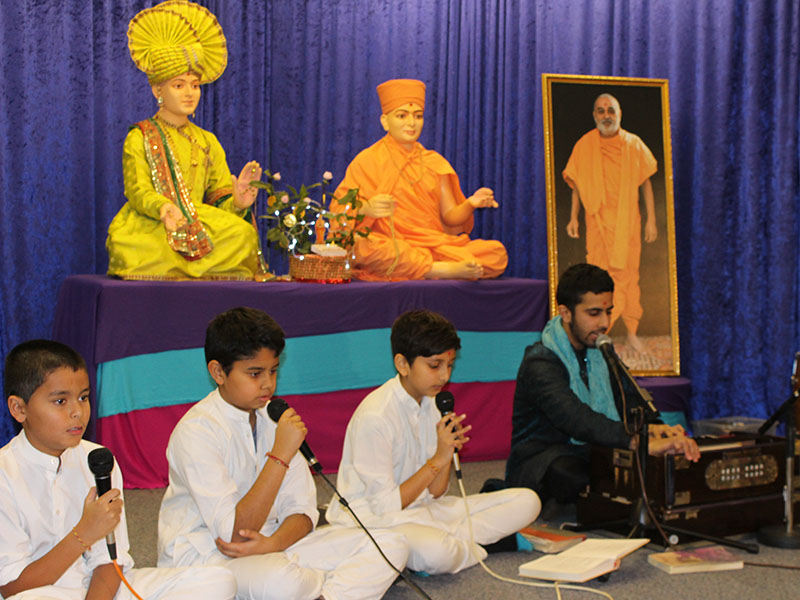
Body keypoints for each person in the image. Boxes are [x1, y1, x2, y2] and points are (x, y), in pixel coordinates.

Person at [157, 307, 408, 599]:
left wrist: (274, 543)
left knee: (391, 544)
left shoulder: (274, 418)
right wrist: (280, 455)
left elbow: (304, 512)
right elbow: (233, 535)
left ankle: (322, 594)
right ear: (218, 372)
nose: (268, 384)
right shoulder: (197, 431)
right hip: (210, 557)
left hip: (274, 546)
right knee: (283, 581)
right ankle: (332, 586)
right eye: (255, 373)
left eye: (273, 371)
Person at [0, 340, 236, 600]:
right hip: (39, 594)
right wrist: (83, 534)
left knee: (218, 580)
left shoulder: (97, 459)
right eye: (60, 401)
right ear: (19, 409)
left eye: (83, 397)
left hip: (104, 591)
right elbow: (12, 587)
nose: (77, 412)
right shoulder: (4, 474)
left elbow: (110, 560)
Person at [327, 310, 541, 575]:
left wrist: (447, 451)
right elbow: (385, 506)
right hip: (376, 520)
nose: (444, 376)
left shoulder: (433, 404)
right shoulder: (376, 416)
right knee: (436, 553)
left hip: (426, 510)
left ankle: (452, 542)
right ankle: (482, 544)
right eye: (434, 365)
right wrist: (438, 459)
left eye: (449, 365)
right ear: (402, 364)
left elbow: (437, 492)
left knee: (528, 501)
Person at [505, 263, 700, 505]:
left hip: (594, 449)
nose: (605, 322)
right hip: (544, 458)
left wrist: (657, 429)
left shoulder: (601, 350)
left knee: (648, 463)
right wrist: (638, 442)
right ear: (566, 313)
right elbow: (576, 419)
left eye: (608, 312)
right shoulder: (540, 361)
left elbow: (629, 399)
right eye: (594, 313)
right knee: (571, 474)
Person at [107, 0, 268, 281]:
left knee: (242, 234)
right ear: (158, 89)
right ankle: (191, 266)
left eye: (194, 85)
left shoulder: (207, 140)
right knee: (128, 245)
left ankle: (188, 267)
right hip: (155, 223)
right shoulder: (140, 136)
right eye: (178, 85)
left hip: (199, 220)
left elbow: (219, 196)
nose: (189, 93)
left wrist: (238, 203)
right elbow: (137, 190)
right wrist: (164, 208)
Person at [330, 78, 508, 281]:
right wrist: (365, 208)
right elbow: (338, 212)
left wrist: (470, 203)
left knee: (496, 254)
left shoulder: (434, 162)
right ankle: (440, 270)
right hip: (391, 245)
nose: (411, 123)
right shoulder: (367, 161)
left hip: (432, 246)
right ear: (385, 121)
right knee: (360, 245)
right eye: (402, 115)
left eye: (418, 116)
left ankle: (426, 266)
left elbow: (450, 217)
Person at [562, 93, 658, 353]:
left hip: (628, 224)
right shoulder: (584, 145)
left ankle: (632, 332)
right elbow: (577, 185)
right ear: (594, 115)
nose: (606, 116)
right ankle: (597, 334)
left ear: (619, 114)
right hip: (598, 225)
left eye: (611, 110)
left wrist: (651, 220)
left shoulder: (634, 144)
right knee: (596, 279)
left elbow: (646, 183)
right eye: (601, 111)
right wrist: (573, 217)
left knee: (629, 277)